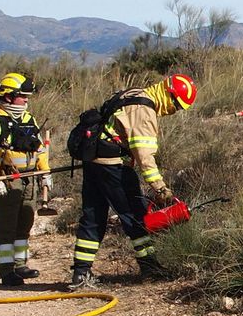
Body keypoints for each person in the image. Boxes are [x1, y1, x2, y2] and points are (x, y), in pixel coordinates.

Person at [68, 73, 196, 291]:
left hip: (94, 162)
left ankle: (81, 273)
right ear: (169, 95)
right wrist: (160, 188)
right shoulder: (144, 111)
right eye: (176, 105)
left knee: (93, 215)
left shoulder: (134, 93)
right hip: (113, 166)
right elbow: (145, 156)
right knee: (135, 215)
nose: (174, 110)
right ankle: (150, 267)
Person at [0, 73, 50, 286]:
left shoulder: (29, 119)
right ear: (8, 97)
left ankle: (20, 264)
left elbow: (40, 149)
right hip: (7, 179)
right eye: (22, 96)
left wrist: (45, 173)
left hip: (29, 179)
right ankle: (6, 269)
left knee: (26, 220)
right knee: (8, 225)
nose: (26, 100)